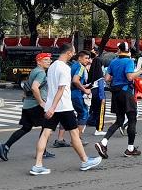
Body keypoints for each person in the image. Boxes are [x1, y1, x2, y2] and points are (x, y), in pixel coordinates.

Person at [29, 43, 102, 175]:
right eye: (73, 52)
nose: (74, 54)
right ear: (69, 53)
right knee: (74, 134)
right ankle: (85, 161)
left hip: (52, 105)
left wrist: (50, 107)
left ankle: (37, 165)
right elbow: (61, 89)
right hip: (63, 106)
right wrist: (53, 107)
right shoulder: (64, 68)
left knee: (45, 134)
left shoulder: (52, 67)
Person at [94, 42, 142, 159]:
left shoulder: (113, 62)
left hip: (115, 93)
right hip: (126, 93)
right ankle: (130, 149)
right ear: (128, 51)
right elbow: (130, 77)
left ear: (118, 50)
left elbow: (107, 78)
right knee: (132, 120)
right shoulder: (129, 61)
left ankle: (103, 143)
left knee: (119, 121)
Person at [0, 52, 55, 161]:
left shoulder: (34, 71)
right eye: (46, 60)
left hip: (27, 105)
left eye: (49, 60)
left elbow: (26, 86)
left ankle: (5, 146)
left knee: (26, 128)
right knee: (47, 127)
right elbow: (34, 88)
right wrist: (41, 102)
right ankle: (42, 152)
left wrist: (25, 97)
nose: (49, 62)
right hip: (36, 105)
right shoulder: (41, 73)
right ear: (39, 62)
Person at [86, 50, 106, 136]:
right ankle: (99, 129)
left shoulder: (92, 73)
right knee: (101, 111)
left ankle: (89, 122)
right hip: (98, 93)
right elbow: (101, 87)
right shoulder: (100, 75)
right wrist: (103, 98)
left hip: (92, 92)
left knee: (93, 110)